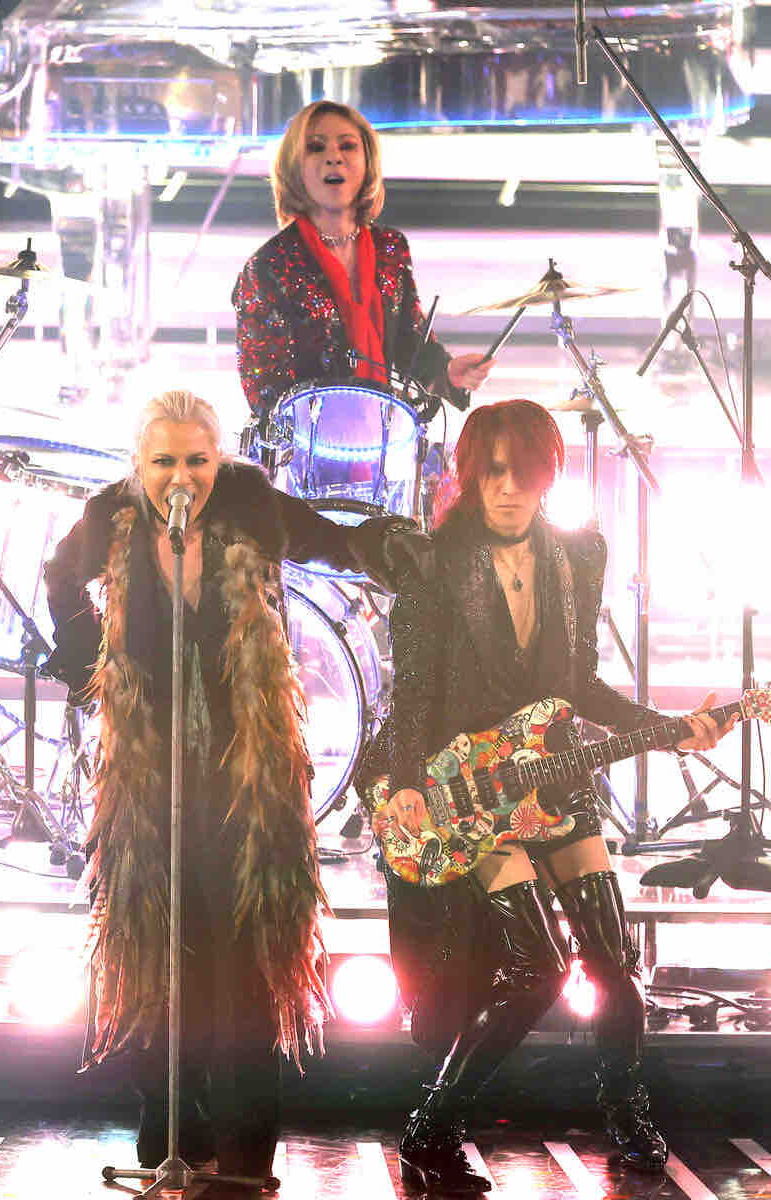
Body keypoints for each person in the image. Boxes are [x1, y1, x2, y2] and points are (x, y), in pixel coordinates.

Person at [375, 399, 735, 1194]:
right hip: (472, 789)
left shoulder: (578, 555)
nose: (509, 488)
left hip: (556, 779)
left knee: (614, 963)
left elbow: (579, 686)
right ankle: (432, 1128)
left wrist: (668, 729)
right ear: (470, 476)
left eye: (525, 472)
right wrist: (404, 784)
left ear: (548, 477)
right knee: (538, 970)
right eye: (494, 471)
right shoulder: (433, 566)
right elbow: (412, 697)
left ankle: (628, 1119)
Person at [43, 389, 389, 1193]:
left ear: (220, 458)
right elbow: (59, 576)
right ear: (138, 465)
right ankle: (173, 1126)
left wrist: (405, 550)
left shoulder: (251, 504)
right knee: (158, 943)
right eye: (163, 462)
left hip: (245, 770)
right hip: (151, 770)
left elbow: (332, 542)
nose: (181, 479)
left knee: (243, 956)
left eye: (196, 461)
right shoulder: (111, 518)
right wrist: (91, 659)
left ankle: (245, 1149)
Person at [232, 99, 493, 420]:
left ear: (367, 162)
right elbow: (264, 390)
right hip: (308, 441)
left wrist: (448, 372)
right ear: (294, 167)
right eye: (316, 147)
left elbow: (409, 343)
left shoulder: (390, 248)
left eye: (347, 146)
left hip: (384, 433)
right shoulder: (268, 266)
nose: (333, 157)